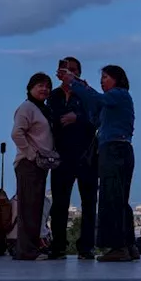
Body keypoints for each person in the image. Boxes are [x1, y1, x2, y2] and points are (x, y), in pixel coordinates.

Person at [62, 64, 137, 262]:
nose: (102, 81)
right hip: (119, 149)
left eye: (105, 77)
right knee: (119, 198)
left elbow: (97, 101)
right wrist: (85, 91)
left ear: (116, 79)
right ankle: (127, 244)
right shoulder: (116, 100)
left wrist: (76, 84)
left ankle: (117, 246)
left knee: (111, 197)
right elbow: (95, 115)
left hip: (113, 150)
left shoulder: (119, 94)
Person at [46, 56, 97, 260]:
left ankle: (86, 247)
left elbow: (97, 118)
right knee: (59, 204)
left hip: (87, 156)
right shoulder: (54, 95)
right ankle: (58, 246)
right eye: (65, 70)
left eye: (73, 70)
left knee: (89, 203)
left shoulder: (86, 94)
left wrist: (78, 118)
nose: (69, 73)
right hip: (62, 155)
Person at [11, 72, 55, 262]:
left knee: (35, 207)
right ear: (30, 88)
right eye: (40, 85)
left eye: (47, 86)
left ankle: (31, 248)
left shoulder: (42, 109)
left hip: (40, 165)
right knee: (29, 208)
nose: (44, 89)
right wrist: (31, 154)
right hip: (29, 164)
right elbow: (16, 133)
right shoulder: (27, 108)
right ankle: (26, 251)